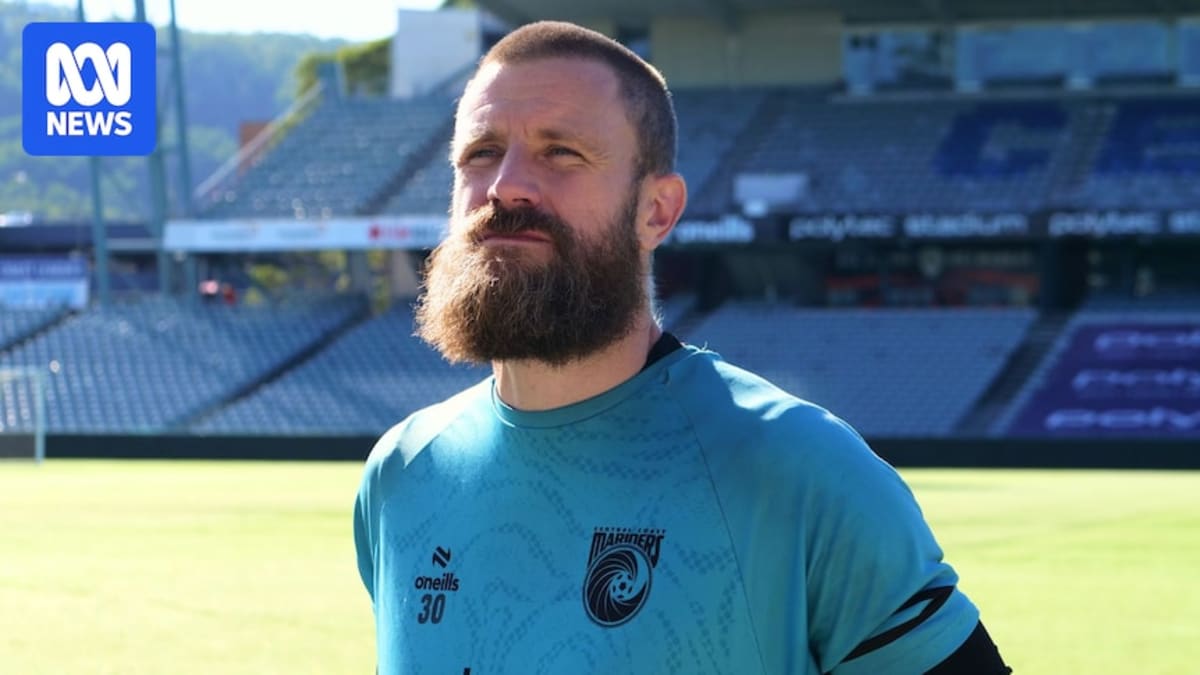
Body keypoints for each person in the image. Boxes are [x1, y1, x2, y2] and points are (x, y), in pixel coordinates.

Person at [354, 20, 1011, 674]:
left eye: (561, 152)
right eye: (480, 154)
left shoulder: (802, 472)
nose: (506, 186)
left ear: (657, 211)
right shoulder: (401, 473)